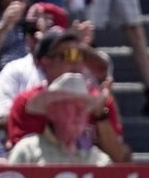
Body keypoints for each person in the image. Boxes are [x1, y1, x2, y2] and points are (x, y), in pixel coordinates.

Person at [7, 27, 127, 161]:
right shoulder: (26, 102)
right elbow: (22, 159)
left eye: (80, 55)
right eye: (69, 55)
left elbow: (119, 159)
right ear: (46, 61)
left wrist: (100, 115)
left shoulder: (101, 101)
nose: (76, 61)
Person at [7, 71, 111, 165]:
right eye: (73, 105)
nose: (80, 113)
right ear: (52, 112)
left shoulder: (98, 160)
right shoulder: (27, 152)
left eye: (84, 107)